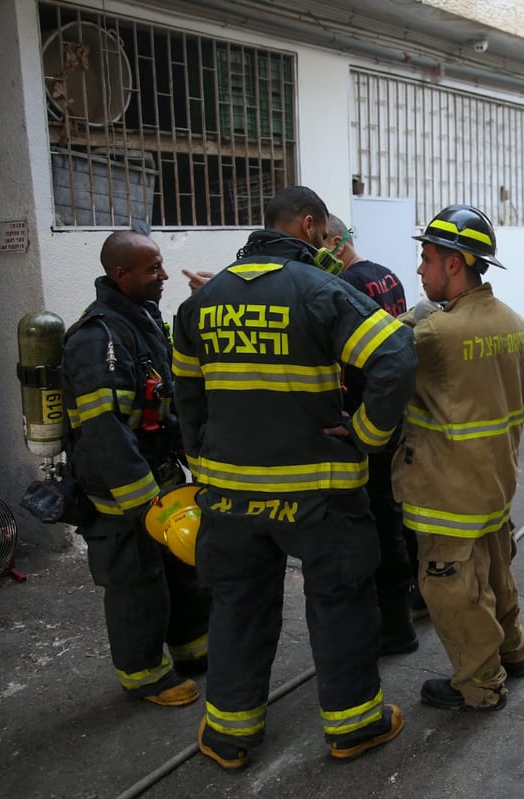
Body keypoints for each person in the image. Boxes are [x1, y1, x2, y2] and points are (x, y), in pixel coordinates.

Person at [173, 186, 417, 769]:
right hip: (317, 492)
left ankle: (229, 736)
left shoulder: (202, 304)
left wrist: (202, 463)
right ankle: (354, 726)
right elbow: (396, 356)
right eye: (323, 232)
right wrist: (368, 433)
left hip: (231, 491)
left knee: (236, 604)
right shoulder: (320, 291)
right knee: (338, 600)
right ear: (308, 226)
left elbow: (187, 392)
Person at [393, 205, 524, 712]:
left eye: (426, 257)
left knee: (452, 591)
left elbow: (376, 358)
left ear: (455, 263)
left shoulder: (434, 334)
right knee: (496, 570)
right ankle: (512, 650)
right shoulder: (514, 324)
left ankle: (479, 684)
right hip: (495, 479)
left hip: (446, 486)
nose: (419, 268)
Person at [61, 231, 211, 707]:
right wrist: (143, 502)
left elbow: (166, 401)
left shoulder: (142, 320)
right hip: (121, 491)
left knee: (181, 571)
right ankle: (143, 675)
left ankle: (192, 650)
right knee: (136, 583)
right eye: (153, 269)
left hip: (159, 477)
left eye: (162, 265)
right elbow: (103, 430)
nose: (164, 275)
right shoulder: (95, 340)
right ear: (120, 275)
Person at [324, 214, 418, 654]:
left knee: (380, 520)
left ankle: (395, 627)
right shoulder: (387, 275)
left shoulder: (344, 287)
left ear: (331, 241)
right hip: (395, 410)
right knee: (400, 510)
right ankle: (420, 599)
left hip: (366, 415)